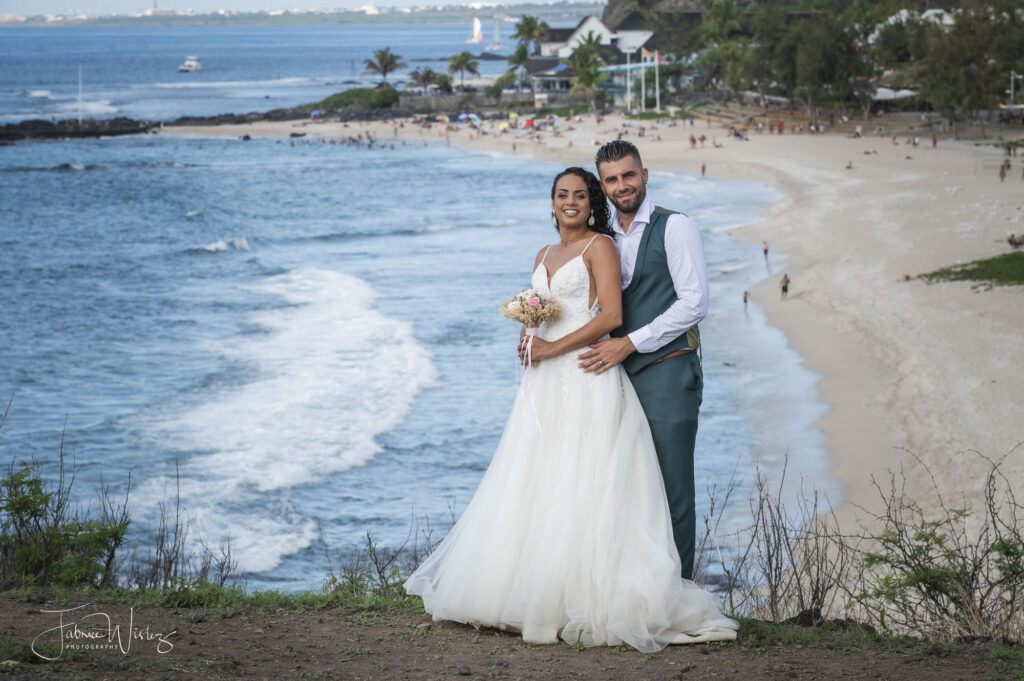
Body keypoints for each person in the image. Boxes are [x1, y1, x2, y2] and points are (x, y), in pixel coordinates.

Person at [404, 167, 738, 652]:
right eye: (563, 195)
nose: (571, 202)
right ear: (552, 202)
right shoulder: (542, 253)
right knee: (542, 479)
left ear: (592, 201)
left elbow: (610, 317)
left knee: (589, 480)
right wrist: (528, 338)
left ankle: (591, 597)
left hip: (585, 374)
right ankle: (539, 592)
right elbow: (542, 312)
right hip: (544, 383)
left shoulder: (598, 247)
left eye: (580, 195)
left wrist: (550, 350)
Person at [578, 140, 706, 582]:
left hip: (669, 369)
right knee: (626, 487)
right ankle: (634, 590)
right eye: (612, 179)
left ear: (645, 175)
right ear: (602, 185)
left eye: (629, 175)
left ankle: (679, 594)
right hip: (615, 378)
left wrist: (630, 343)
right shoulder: (600, 239)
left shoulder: (675, 227)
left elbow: (694, 303)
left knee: (673, 491)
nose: (622, 185)